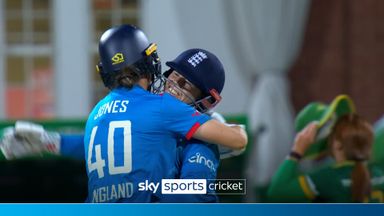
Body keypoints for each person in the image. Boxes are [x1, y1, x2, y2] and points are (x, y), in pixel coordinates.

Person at [1, 24, 247, 203]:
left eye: (185, 85)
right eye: (174, 77)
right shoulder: (164, 109)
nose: (173, 87)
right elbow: (190, 194)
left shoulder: (98, 111)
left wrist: (52, 142)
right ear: (152, 65)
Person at [267, 113, 384, 203]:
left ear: (337, 144)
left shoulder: (328, 177)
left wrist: (297, 151)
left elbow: (276, 192)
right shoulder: (379, 174)